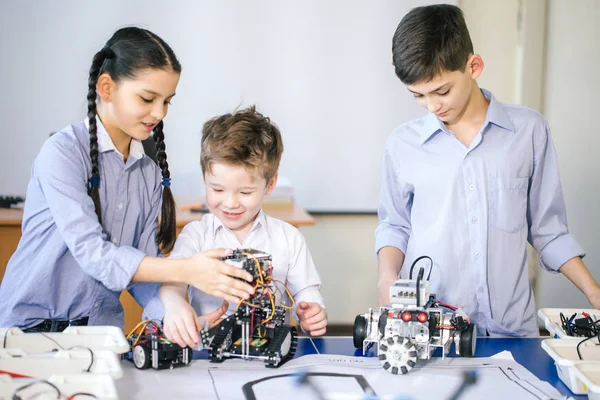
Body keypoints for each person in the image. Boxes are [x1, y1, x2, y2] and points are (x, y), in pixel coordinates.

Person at [0, 27, 254, 332]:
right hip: (28, 333)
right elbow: (95, 255)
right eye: (148, 98)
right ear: (106, 88)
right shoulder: (63, 153)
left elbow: (142, 266)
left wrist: (173, 310)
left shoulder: (148, 173)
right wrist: (187, 269)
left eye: (167, 101)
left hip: (99, 337)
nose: (159, 113)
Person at [376, 4, 600, 336]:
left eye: (442, 91)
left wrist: (593, 292)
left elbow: (548, 231)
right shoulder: (402, 144)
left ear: (473, 66)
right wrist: (386, 280)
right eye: (418, 96)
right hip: (432, 329)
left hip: (511, 330)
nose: (432, 106)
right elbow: (395, 225)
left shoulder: (529, 131)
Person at [152, 106, 327, 348]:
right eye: (217, 190)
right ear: (204, 178)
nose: (231, 203)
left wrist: (311, 311)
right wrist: (174, 304)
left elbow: (307, 294)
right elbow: (173, 281)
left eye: (245, 192)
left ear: (270, 184)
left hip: (268, 351)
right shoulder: (196, 236)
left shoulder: (288, 238)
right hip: (210, 351)